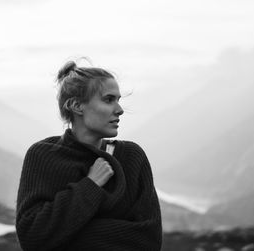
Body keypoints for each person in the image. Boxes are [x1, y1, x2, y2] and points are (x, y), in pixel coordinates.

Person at [15, 60, 162, 251]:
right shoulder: (43, 156)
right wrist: (90, 186)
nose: (119, 109)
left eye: (118, 100)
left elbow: (148, 240)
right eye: (109, 99)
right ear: (77, 105)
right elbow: (32, 237)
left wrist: (63, 236)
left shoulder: (132, 157)